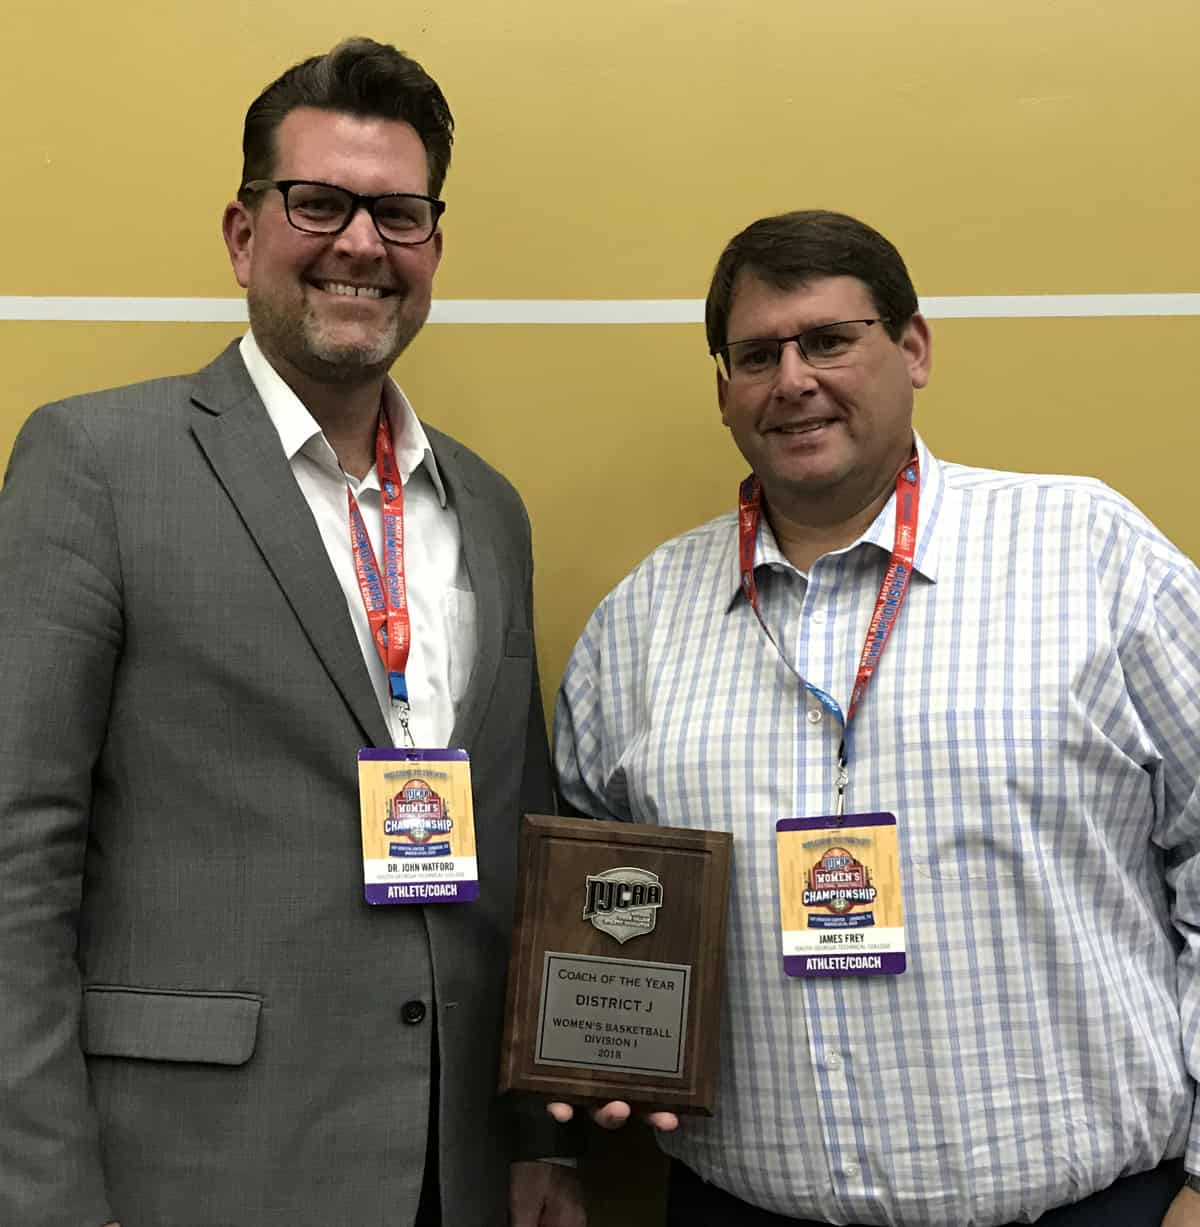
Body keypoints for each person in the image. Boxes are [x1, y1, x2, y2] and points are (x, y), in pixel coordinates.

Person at [0, 37, 580, 1227]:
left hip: (451, 1173)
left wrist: (532, 1139)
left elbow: (518, 850)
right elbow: (17, 861)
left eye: (400, 214)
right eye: (319, 203)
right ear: (242, 233)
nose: (362, 243)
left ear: (432, 245)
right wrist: (43, 1196)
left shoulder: (491, 506)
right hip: (191, 1168)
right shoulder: (95, 464)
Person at [552, 209, 1200, 1226]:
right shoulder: (641, 620)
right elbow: (594, 885)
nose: (793, 379)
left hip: (1095, 1206)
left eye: (829, 340)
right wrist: (592, 1044)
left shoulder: (1093, 555)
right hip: (742, 1210)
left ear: (913, 348)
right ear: (724, 389)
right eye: (757, 353)